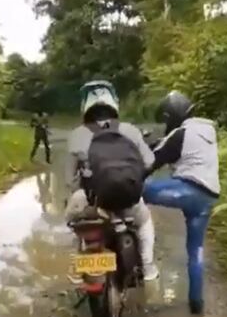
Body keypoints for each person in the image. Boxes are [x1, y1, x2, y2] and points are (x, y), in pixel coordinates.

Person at [64, 80, 159, 281]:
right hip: (128, 199)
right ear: (113, 105)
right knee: (144, 222)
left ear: (85, 108)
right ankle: (148, 268)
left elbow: (69, 178)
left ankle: (78, 269)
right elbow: (150, 162)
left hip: (91, 202)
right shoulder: (130, 130)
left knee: (78, 224)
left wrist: (80, 190)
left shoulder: (76, 135)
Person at [144, 91, 220, 315]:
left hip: (187, 190)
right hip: (208, 197)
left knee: (136, 190)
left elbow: (151, 162)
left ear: (172, 114)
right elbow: (177, 144)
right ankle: (196, 303)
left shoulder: (180, 135)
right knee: (195, 249)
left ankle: (141, 253)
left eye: (166, 118)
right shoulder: (208, 130)